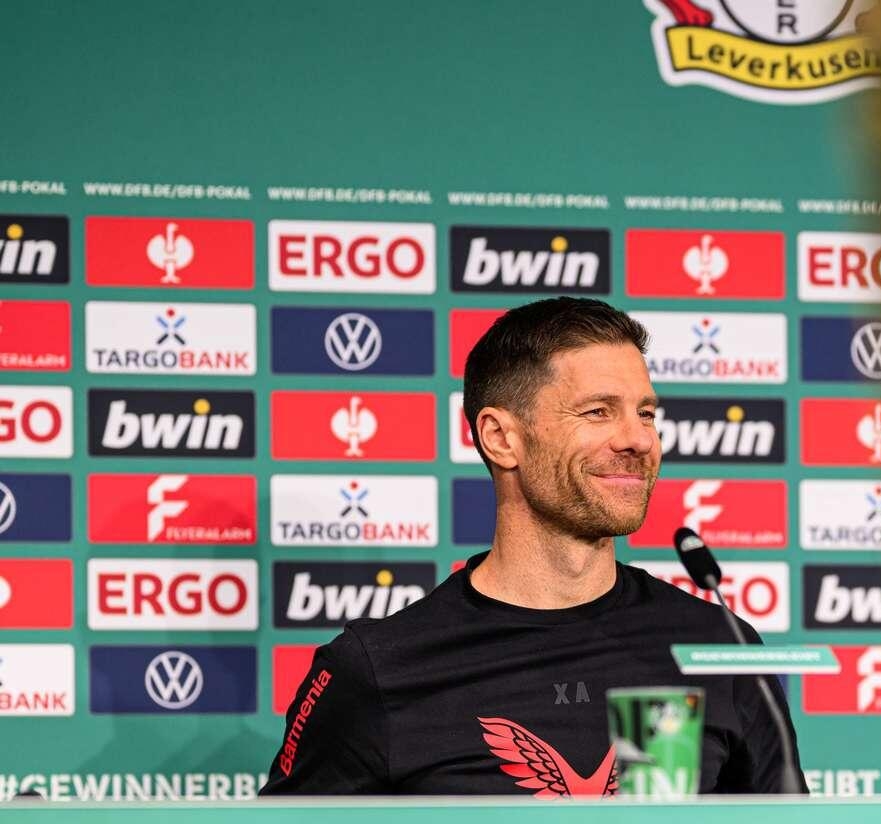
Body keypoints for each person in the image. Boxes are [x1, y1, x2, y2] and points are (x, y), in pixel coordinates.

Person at [264, 297, 803, 796]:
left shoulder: (717, 648)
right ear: (501, 438)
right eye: (598, 411)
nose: (639, 439)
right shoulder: (379, 670)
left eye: (645, 413)